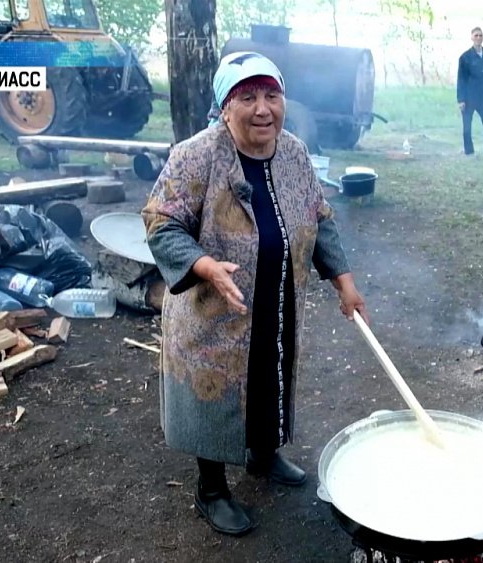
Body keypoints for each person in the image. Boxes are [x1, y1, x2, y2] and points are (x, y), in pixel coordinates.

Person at [141, 51, 368, 537]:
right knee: (216, 392)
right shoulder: (197, 155)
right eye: (247, 97)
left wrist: (342, 279)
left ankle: (264, 456)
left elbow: (318, 214)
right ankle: (211, 488)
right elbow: (160, 221)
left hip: (276, 300)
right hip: (214, 310)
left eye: (271, 95)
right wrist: (202, 264)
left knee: (270, 376)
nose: (263, 108)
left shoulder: (294, 153)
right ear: (225, 106)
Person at [457, 26, 483, 157]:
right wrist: (461, 100)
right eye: (476, 35)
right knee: (467, 126)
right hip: (469, 97)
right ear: (471, 38)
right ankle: (469, 151)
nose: (478, 38)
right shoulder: (465, 57)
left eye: (480, 35)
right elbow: (461, 79)